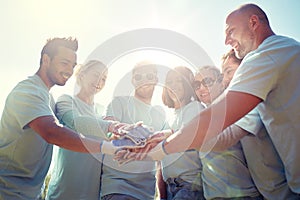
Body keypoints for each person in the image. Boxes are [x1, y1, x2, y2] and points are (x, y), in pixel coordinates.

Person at [142, 3, 300, 195]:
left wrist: (163, 149)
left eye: (231, 31)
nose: (226, 40)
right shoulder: (288, 48)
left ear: (253, 22)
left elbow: (216, 119)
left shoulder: (264, 56)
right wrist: (171, 134)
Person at [0, 37, 127, 199]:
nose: (69, 70)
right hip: (8, 189)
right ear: (46, 60)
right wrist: (108, 141)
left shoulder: (48, 98)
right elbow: (52, 132)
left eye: (72, 65)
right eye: (64, 63)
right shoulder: (29, 91)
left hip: (31, 193)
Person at [221, 49, 299, 199]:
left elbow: (226, 137)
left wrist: (179, 138)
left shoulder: (252, 105)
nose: (225, 79)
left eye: (229, 71)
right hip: (268, 193)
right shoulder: (240, 106)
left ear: (245, 69)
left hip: (285, 194)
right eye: (223, 74)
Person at [101, 60, 169, 200]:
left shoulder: (160, 113)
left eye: (149, 76)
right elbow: (109, 128)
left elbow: (164, 154)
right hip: (117, 188)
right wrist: (126, 133)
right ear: (133, 80)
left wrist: (162, 194)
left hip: (147, 193)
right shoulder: (119, 102)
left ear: (156, 80)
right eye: (139, 77)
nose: (144, 80)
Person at [194, 65, 262, 199]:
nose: (201, 88)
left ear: (221, 82)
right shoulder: (201, 117)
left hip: (243, 195)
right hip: (213, 196)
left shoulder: (235, 109)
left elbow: (223, 139)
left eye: (207, 81)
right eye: (196, 85)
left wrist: (171, 139)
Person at [46, 60, 109, 199]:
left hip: (92, 194)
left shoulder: (101, 111)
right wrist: (110, 126)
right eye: (96, 75)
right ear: (82, 74)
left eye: (104, 78)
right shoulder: (66, 100)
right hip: (64, 191)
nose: (100, 81)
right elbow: (77, 123)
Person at [161, 66, 205, 200]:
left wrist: (157, 138)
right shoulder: (168, 118)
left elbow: (184, 137)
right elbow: (162, 159)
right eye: (169, 82)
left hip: (189, 186)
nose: (173, 85)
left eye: (178, 80)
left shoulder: (195, 108)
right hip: (170, 187)